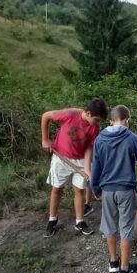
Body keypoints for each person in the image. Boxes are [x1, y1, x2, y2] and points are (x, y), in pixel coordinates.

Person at [91, 105, 137, 273]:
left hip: (107, 190)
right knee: (125, 227)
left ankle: (113, 262)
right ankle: (125, 270)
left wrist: (95, 188)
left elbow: (96, 167)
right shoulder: (133, 139)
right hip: (126, 190)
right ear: (127, 119)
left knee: (109, 225)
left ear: (111, 121)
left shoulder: (100, 140)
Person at [41, 98, 108, 237]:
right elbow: (45, 116)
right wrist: (45, 139)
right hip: (61, 158)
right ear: (88, 113)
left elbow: (89, 147)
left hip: (80, 161)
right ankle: (52, 219)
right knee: (57, 188)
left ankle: (79, 221)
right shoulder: (70, 114)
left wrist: (87, 168)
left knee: (79, 190)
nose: (97, 123)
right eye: (96, 119)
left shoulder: (95, 127)